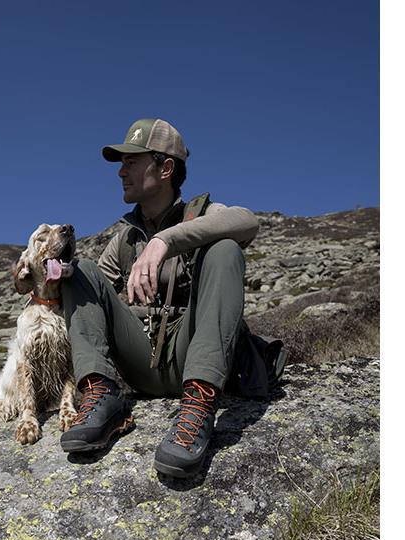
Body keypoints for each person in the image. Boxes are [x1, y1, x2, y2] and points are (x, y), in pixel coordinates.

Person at [59, 118, 259, 478]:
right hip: (141, 362)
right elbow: (92, 300)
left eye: (131, 162)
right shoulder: (124, 239)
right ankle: (102, 395)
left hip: (191, 354)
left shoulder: (201, 215)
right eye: (121, 163)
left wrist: (165, 241)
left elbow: (247, 221)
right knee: (81, 271)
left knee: (225, 250)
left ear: (165, 168)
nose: (121, 172)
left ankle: (199, 403)